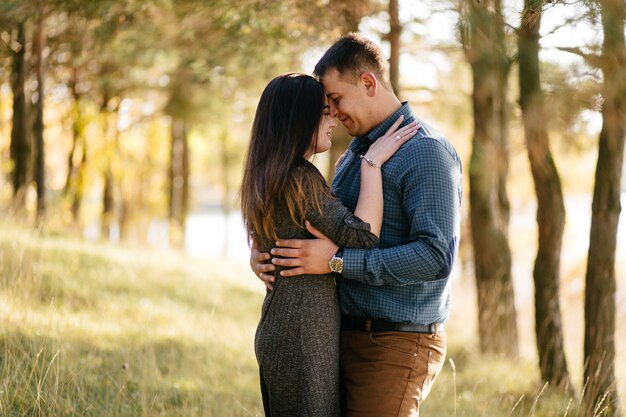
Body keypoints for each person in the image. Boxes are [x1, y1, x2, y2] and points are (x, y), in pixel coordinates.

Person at [250, 34, 463, 416]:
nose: (331, 112)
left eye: (335, 99)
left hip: (392, 344)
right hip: (340, 336)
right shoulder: (355, 155)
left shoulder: (425, 152)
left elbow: (435, 257)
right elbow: (316, 222)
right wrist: (264, 251)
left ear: (368, 83)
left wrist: (337, 263)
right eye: (325, 105)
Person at [241, 72, 419, 417]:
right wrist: (371, 164)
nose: (333, 118)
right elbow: (363, 234)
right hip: (303, 335)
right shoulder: (300, 178)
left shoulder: (269, 175)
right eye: (323, 111)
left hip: (282, 328)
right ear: (298, 119)